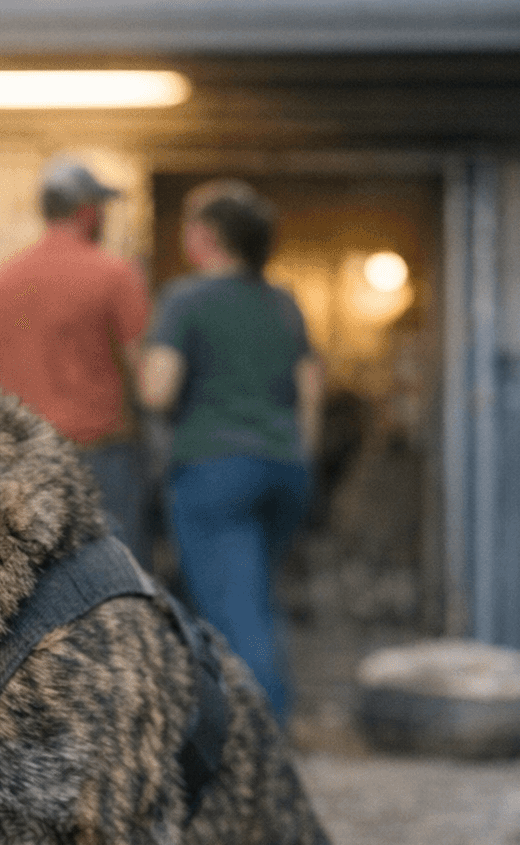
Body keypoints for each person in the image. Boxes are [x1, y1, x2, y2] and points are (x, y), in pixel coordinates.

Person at [138, 179, 323, 727]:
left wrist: (142, 361)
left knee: (234, 615)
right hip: (285, 468)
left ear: (208, 236)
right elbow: (310, 388)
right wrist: (297, 459)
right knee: (258, 603)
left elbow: (158, 391)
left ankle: (258, 743)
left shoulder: (185, 299)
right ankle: (264, 728)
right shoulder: (283, 302)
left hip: (215, 471)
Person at [0, 158, 152, 566]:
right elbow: (144, 374)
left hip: (23, 458)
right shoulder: (115, 273)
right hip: (100, 457)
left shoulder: (0, 280)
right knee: (116, 574)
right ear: (89, 210)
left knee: (37, 575)